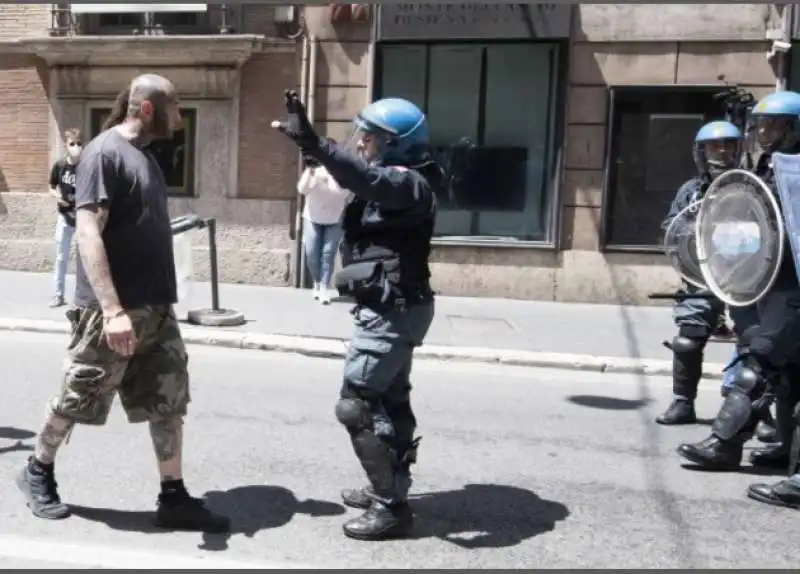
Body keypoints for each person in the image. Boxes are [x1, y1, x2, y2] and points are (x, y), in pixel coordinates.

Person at [16, 74, 229, 533]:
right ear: (148, 109)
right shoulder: (104, 153)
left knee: (168, 399)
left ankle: (173, 495)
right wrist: (111, 311)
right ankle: (37, 470)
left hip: (155, 306)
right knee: (79, 394)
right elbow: (88, 231)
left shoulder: (146, 158)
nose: (179, 116)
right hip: (111, 310)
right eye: (174, 106)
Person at [274, 91, 439, 540]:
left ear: (393, 143)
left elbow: (365, 179)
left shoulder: (408, 183)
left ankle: (391, 507)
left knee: (357, 403)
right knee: (391, 401)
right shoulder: (395, 176)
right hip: (392, 307)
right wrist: (312, 146)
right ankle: (388, 487)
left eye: (369, 136)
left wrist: (315, 142)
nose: (361, 141)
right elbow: (358, 175)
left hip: (394, 311)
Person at [677, 91, 800, 474]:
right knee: (792, 371)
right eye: (761, 123)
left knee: (759, 360)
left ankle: (724, 444)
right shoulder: (768, 171)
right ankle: (786, 448)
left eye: (776, 124)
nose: (765, 131)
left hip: (793, 286)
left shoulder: (793, 172)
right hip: (768, 282)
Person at [656, 121, 742, 426]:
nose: (721, 151)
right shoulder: (690, 192)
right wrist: (691, 231)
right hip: (701, 276)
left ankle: (753, 412)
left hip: (746, 277)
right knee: (688, 339)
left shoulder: (751, 185)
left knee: (756, 344)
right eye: (714, 146)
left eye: (728, 145)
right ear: (701, 152)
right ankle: (683, 403)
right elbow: (671, 228)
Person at [298, 149, 350, 304]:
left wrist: (332, 176)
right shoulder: (315, 171)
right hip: (312, 218)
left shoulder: (342, 173)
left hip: (334, 219)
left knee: (328, 253)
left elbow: (341, 193)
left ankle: (324, 287)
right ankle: (316, 281)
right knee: (312, 253)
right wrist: (309, 171)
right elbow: (302, 189)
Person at [48, 128, 82, 308]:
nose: (76, 147)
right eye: (72, 144)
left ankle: (81, 298)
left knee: (83, 259)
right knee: (61, 257)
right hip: (64, 217)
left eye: (79, 143)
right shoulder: (60, 166)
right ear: (66, 145)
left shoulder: (86, 165)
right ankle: (58, 295)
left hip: (83, 219)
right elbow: (51, 186)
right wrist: (57, 196)